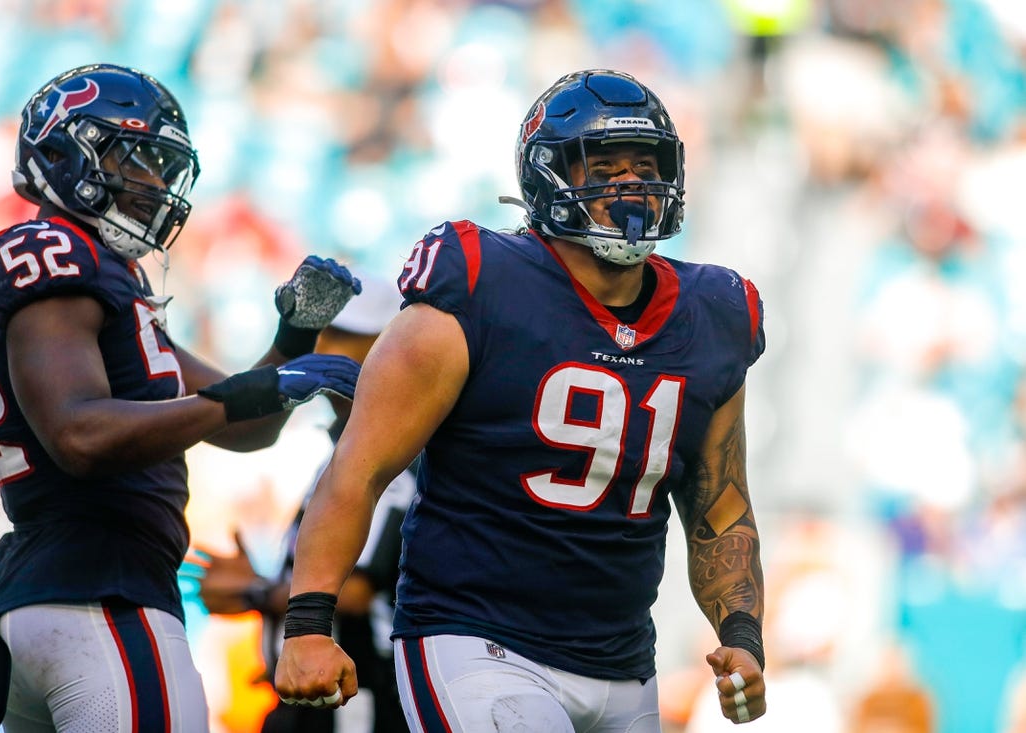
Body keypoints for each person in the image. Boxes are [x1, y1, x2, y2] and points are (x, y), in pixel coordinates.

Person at [273, 67, 769, 731]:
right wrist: (308, 620)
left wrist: (741, 630)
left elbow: (719, 502)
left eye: (645, 163)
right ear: (551, 177)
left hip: (624, 659)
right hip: (477, 638)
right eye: (607, 165)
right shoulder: (480, 280)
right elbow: (358, 467)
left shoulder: (713, 313)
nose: (633, 183)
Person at [0, 63, 362, 733]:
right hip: (96, 591)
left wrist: (291, 341)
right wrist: (249, 394)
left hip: (63, 590)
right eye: (136, 159)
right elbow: (80, 435)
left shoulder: (111, 276)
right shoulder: (54, 248)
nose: (152, 183)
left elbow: (244, 427)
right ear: (65, 152)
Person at [191, 274, 411, 733]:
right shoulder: (345, 449)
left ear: (388, 345)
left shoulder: (397, 453)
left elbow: (353, 592)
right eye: (320, 332)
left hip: (356, 702)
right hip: (321, 701)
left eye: (342, 334)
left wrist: (255, 592)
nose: (322, 345)